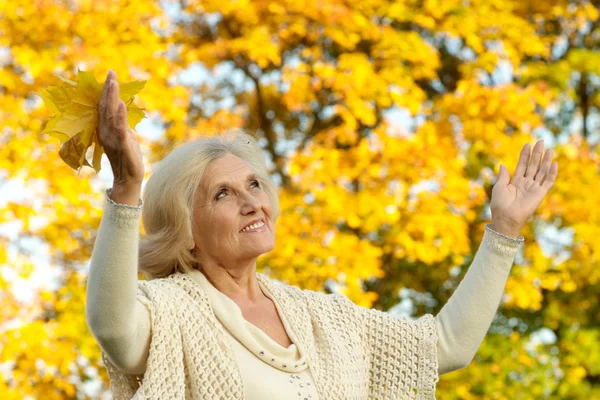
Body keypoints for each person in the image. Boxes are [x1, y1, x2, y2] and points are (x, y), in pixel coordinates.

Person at [85, 70, 558, 399]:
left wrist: (504, 230)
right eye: (222, 195)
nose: (252, 201)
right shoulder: (171, 311)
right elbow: (115, 330)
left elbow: (446, 345)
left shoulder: (323, 317)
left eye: (254, 184)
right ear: (187, 232)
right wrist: (127, 187)